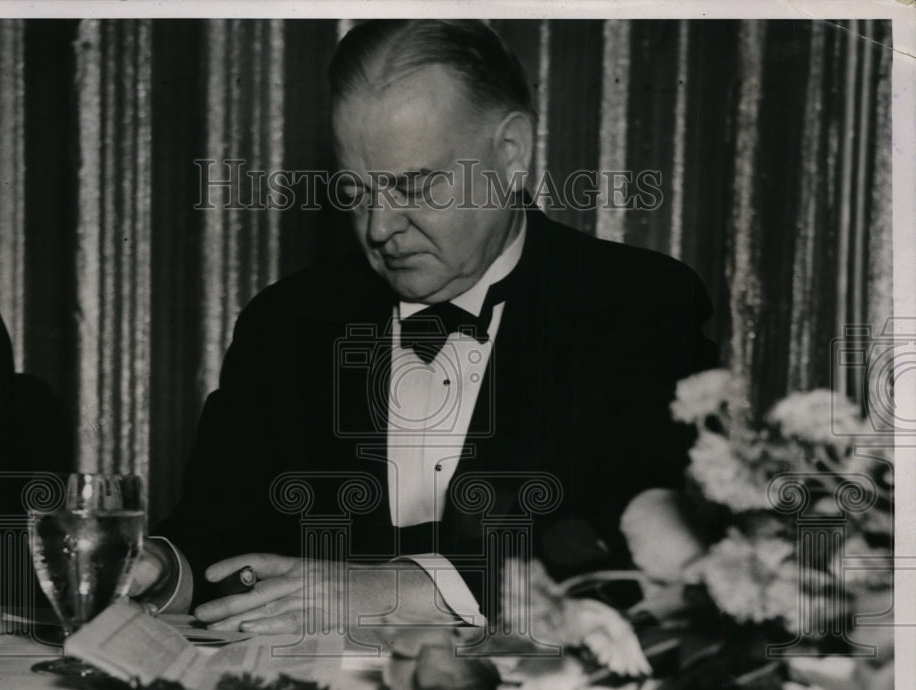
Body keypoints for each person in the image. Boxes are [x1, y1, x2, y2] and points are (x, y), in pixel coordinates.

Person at [130, 20, 718, 635]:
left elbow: (658, 555)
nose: (380, 228)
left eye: (412, 185)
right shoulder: (285, 322)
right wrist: (161, 569)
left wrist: (412, 590)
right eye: (356, 192)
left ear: (512, 153)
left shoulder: (639, 305)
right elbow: (217, 540)